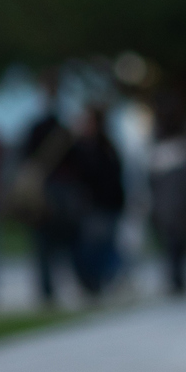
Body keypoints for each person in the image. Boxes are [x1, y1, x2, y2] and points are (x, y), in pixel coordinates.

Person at [15, 73, 78, 307]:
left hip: (50, 189)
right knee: (52, 241)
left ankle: (47, 288)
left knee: (46, 242)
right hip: (52, 189)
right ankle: (52, 287)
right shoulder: (58, 128)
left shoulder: (42, 127)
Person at [64, 104, 126, 300]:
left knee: (104, 247)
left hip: (107, 204)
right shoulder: (77, 148)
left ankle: (100, 283)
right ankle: (90, 284)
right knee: (87, 248)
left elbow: (114, 176)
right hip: (88, 206)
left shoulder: (107, 147)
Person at [148, 92, 186, 298]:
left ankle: (176, 280)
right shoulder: (184, 146)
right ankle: (179, 279)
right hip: (177, 203)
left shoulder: (162, 146)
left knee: (172, 244)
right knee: (180, 243)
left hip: (168, 203)